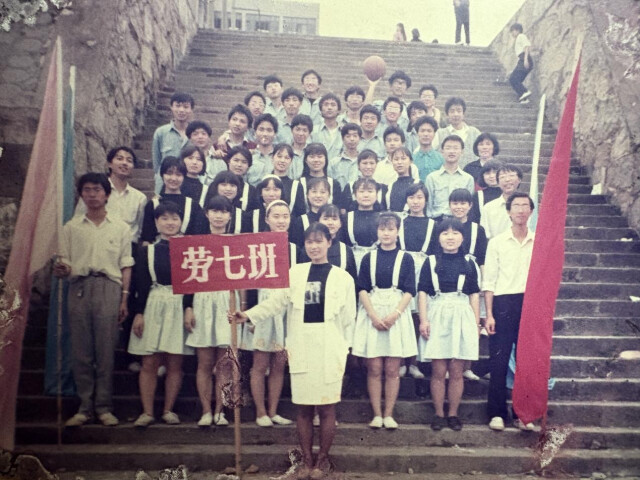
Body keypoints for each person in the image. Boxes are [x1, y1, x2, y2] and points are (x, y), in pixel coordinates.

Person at [232, 223, 357, 479]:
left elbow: (348, 319)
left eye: (319, 241)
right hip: (302, 345)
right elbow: (275, 303)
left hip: (330, 347)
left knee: (327, 407)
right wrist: (247, 315)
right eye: (309, 242)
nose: (314, 246)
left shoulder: (343, 278)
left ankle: (322, 460)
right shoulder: (295, 273)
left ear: (329, 243)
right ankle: (306, 460)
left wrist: (344, 349)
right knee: (304, 408)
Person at [54, 173, 134, 427]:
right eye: (87, 190)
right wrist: (62, 269)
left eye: (97, 190)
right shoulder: (71, 227)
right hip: (79, 287)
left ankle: (104, 407)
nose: (92, 194)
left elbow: (126, 264)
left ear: (107, 194)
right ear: (81, 194)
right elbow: (64, 261)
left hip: (109, 288)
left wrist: (124, 299)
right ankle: (85, 407)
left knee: (106, 350)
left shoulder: (120, 227)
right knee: (82, 351)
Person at [128, 202, 193, 428]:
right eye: (164, 218)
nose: (170, 223)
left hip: (178, 304)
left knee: (175, 362)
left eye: (174, 218)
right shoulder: (147, 251)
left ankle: (168, 410)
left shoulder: (190, 250)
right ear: (156, 222)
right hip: (154, 303)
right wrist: (139, 313)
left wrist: (188, 308)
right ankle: (147, 412)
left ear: (181, 221)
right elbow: (141, 285)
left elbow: (192, 284)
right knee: (149, 361)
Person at [184, 195, 245, 427]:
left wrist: (241, 307)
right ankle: (206, 411)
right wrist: (188, 307)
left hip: (227, 301)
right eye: (215, 211)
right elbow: (187, 279)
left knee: (225, 362)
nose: (219, 216)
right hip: (202, 300)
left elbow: (243, 279)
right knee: (204, 362)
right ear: (207, 213)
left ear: (230, 215)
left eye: (224, 211)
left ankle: (220, 411)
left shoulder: (236, 242)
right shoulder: (196, 242)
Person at [353, 212, 417, 429]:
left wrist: (394, 315)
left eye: (390, 229)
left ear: (398, 231)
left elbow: (409, 290)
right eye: (382, 229)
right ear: (377, 231)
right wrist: (373, 315)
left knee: (392, 369)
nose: (386, 233)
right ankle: (376, 414)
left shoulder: (406, 258)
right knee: (374, 368)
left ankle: (389, 414)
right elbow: (362, 288)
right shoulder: (368, 258)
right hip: (372, 312)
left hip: (396, 314)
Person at [239, 200, 300, 427]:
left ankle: (273, 411)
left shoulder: (295, 249)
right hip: (263, 307)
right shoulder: (257, 246)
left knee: (279, 363)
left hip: (286, 308)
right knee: (260, 363)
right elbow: (248, 283)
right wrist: (251, 314)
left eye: (285, 216)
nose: (281, 220)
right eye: (276, 216)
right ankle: (261, 412)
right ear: (267, 219)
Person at [417, 218, 480, 431]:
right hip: (437, 314)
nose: (450, 237)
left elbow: (474, 295)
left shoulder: (469, 263)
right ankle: (438, 414)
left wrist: (475, 324)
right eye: (445, 233)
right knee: (438, 370)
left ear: (462, 237)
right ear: (438, 237)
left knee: (456, 370)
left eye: (455, 233)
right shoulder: (430, 262)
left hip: (461, 315)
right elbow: (422, 292)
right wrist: (424, 320)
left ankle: (453, 414)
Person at [483, 192, 535, 431]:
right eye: (516, 206)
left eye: (525, 206)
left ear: (531, 211)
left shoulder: (538, 242)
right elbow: (489, 281)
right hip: (503, 303)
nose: (521, 210)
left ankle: (523, 413)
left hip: (530, 304)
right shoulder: (497, 242)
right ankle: (496, 413)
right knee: (499, 360)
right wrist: (489, 313)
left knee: (526, 362)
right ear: (508, 212)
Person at [397, 183, 435, 380]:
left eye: (420, 197)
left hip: (424, 270)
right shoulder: (399, 223)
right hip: (403, 269)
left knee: (419, 317)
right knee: (403, 317)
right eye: (411, 197)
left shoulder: (433, 225)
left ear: (426, 200)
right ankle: (402, 362)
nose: (415, 201)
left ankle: (414, 363)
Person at [74, 146, 146, 246]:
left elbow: (139, 229)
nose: (124, 163)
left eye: (129, 160)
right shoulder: (94, 191)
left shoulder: (139, 198)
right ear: (109, 164)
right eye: (119, 158)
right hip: (97, 245)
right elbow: (78, 219)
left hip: (127, 247)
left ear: (133, 167)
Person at [140, 156, 206, 245]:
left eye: (178, 174)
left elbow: (199, 238)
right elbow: (146, 239)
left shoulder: (193, 206)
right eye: (169, 173)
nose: (173, 178)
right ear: (162, 175)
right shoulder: (152, 204)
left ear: (184, 177)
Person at [151, 92, 194, 193]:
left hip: (188, 183)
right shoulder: (161, 132)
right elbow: (156, 163)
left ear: (191, 109)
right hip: (165, 184)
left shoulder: (195, 134)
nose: (181, 110)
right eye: (177, 106)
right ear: (171, 107)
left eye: (186, 107)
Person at [425, 135, 474, 220]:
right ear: (442, 151)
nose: (452, 151)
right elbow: (428, 206)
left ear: (462, 152)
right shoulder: (432, 177)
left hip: (459, 221)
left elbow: (469, 205)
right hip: (437, 221)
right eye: (448, 148)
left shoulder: (468, 179)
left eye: (455, 148)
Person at [343, 177, 382, 271]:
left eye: (370, 191)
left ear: (376, 194)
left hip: (378, 262)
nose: (366, 195)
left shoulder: (383, 218)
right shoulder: (346, 218)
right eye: (361, 191)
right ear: (355, 195)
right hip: (352, 262)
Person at [433, 97, 481, 167]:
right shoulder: (440, 133)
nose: (456, 114)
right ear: (447, 114)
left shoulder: (475, 133)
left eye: (459, 111)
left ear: (463, 113)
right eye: (452, 111)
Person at [481, 164, 523, 239]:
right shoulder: (488, 208)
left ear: (519, 179)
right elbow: (485, 235)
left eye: (511, 175)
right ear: (498, 183)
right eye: (502, 177)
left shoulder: (528, 205)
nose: (507, 180)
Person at [186, 121, 227, 185]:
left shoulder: (219, 162)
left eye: (203, 134)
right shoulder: (185, 161)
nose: (200, 137)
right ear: (190, 139)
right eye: (195, 134)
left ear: (209, 138)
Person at [328, 123, 362, 190]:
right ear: (343, 139)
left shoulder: (364, 161)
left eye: (355, 136)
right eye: (348, 136)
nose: (352, 139)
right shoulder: (334, 163)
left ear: (360, 138)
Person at [248, 113, 278, 186]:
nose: (265, 134)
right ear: (255, 132)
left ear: (275, 134)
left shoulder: (280, 157)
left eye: (269, 130)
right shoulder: (249, 156)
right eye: (261, 129)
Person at [311, 93, 343, 160]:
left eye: (333, 105)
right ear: (321, 110)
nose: (329, 108)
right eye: (326, 105)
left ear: (338, 110)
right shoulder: (313, 131)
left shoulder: (344, 131)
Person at [412, 116, 444, 182]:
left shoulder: (441, 159)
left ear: (434, 134)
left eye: (429, 131)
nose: (426, 134)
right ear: (417, 133)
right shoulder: (412, 159)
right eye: (422, 131)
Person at [387, 147, 418, 213]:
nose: (399, 162)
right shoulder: (391, 185)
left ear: (410, 161)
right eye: (396, 159)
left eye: (403, 159)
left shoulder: (417, 184)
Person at [509, 23, 533, 103]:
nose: (512, 33)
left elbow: (526, 47)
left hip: (524, 59)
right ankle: (524, 98)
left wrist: (525, 60)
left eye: (513, 31)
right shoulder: (518, 38)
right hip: (522, 59)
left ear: (518, 30)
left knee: (513, 78)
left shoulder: (521, 36)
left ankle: (525, 92)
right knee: (516, 79)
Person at [290, 114, 314, 180]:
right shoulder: (286, 151)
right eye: (297, 129)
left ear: (309, 133)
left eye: (305, 130)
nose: (300, 133)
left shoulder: (312, 153)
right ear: (292, 130)